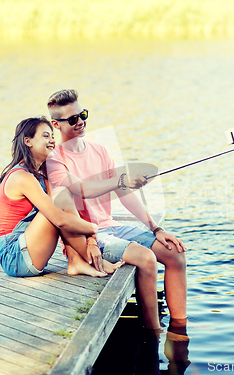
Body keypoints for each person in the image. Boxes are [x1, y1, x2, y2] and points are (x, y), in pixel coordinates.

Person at [46, 89, 188, 331]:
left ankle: (179, 328)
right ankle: (154, 332)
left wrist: (155, 228)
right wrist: (121, 180)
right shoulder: (54, 159)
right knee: (146, 259)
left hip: (111, 226)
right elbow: (83, 189)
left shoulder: (99, 150)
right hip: (87, 236)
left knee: (174, 252)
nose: (80, 122)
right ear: (55, 124)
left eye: (83, 115)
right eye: (72, 119)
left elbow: (124, 194)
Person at [0, 116, 127, 278]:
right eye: (46, 136)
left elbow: (71, 202)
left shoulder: (40, 176)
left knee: (62, 195)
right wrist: (93, 229)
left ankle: (76, 261)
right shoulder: (21, 176)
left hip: (28, 247)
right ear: (28, 141)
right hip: (14, 256)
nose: (52, 141)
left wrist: (90, 239)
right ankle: (92, 261)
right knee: (56, 210)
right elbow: (60, 220)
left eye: (53, 136)